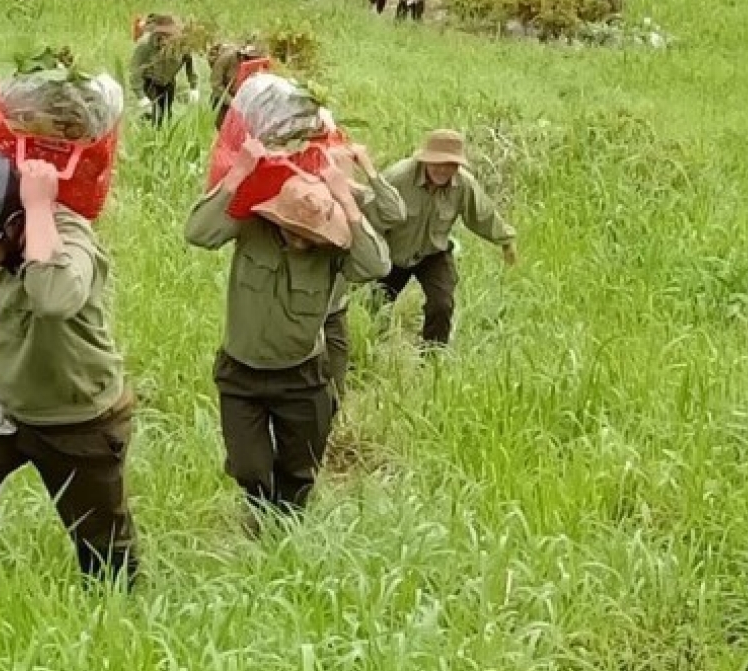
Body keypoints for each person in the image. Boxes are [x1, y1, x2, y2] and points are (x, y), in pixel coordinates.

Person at [0, 97, 138, 587]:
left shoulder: (68, 236)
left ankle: (116, 616)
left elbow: (55, 296)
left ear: (15, 221)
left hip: (77, 415)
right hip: (6, 400)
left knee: (100, 542)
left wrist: (40, 205)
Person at [184, 141, 391, 521]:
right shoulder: (251, 227)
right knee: (250, 469)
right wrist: (238, 173)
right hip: (241, 373)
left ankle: (283, 534)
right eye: (293, 230)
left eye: (309, 234)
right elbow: (198, 233)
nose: (301, 240)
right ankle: (261, 511)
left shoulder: (332, 249)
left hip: (302, 376)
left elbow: (377, 266)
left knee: (300, 472)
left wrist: (347, 203)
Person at [379, 130, 517, 348]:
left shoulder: (463, 184)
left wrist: (506, 241)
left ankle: (433, 355)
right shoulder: (397, 178)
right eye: (437, 162)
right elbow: (369, 215)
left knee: (442, 304)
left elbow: (482, 215)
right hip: (392, 253)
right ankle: (371, 352)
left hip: (433, 252)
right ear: (425, 160)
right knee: (377, 305)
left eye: (450, 164)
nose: (443, 169)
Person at [322, 144, 406, 403]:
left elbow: (395, 213)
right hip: (294, 312)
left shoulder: (356, 202)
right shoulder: (301, 199)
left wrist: (365, 173)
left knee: (336, 391)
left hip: (334, 309)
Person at [130, 14, 197, 126]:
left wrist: (194, 86)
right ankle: (145, 129)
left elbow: (190, 64)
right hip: (150, 80)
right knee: (155, 113)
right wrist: (141, 97)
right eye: (163, 37)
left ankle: (159, 132)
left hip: (168, 81)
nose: (166, 40)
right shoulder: (145, 45)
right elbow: (135, 71)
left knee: (166, 114)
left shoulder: (182, 46)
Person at [207, 37, 267, 130]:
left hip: (242, 100)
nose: (250, 60)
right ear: (242, 55)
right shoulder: (226, 59)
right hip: (222, 100)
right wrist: (231, 101)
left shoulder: (256, 63)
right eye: (248, 58)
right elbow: (216, 84)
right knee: (223, 129)